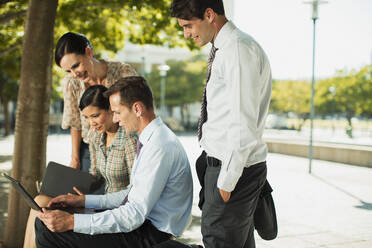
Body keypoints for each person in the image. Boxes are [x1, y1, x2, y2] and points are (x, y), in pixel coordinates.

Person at [34, 76, 193, 248]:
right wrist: (83, 201)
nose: (115, 119)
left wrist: (72, 221)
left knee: (49, 232)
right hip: (144, 225)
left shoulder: (159, 146)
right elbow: (131, 195)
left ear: (137, 109)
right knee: (45, 222)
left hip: (151, 232)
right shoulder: (153, 139)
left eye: (117, 112)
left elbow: (133, 215)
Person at [170, 1, 272, 247]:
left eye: (188, 26)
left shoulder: (237, 50)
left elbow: (243, 122)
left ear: (209, 14)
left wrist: (226, 183)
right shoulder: (225, 48)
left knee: (219, 241)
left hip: (232, 171)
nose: (186, 34)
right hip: (224, 166)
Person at [23, 85, 137, 248]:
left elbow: (136, 190)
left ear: (112, 110)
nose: (91, 123)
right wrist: (64, 191)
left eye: (95, 116)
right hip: (95, 201)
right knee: (39, 201)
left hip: (114, 210)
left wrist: (86, 201)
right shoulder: (95, 136)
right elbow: (94, 175)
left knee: (44, 214)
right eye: (86, 118)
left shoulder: (129, 140)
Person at [55, 32, 136, 172]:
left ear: (88, 52)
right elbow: (75, 123)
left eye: (76, 66)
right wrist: (75, 159)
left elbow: (137, 114)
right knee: (83, 192)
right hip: (89, 151)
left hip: (123, 148)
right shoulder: (71, 83)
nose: (74, 74)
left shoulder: (123, 73)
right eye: (68, 71)